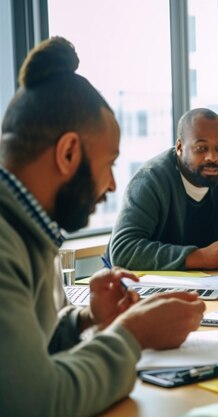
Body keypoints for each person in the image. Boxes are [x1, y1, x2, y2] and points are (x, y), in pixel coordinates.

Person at [0, 37, 206, 416]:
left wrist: (88, 319)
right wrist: (132, 334)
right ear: (68, 153)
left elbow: (27, 353)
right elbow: (34, 401)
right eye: (109, 162)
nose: (112, 185)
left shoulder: (27, 223)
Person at [108, 108, 218, 270]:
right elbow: (123, 250)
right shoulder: (151, 180)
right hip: (143, 286)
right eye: (201, 148)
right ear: (179, 147)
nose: (212, 157)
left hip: (205, 281)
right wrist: (201, 257)